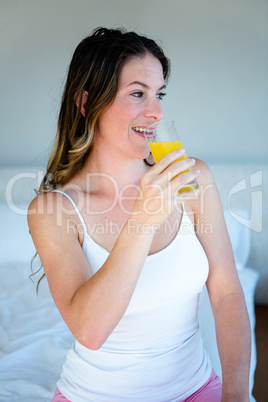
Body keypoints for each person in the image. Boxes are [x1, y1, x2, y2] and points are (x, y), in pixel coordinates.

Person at [28, 27, 251, 402]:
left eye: (159, 94)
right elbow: (91, 330)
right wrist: (144, 218)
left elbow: (227, 292)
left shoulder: (191, 178)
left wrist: (236, 394)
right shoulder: (53, 210)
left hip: (196, 388)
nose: (157, 111)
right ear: (86, 103)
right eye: (137, 94)